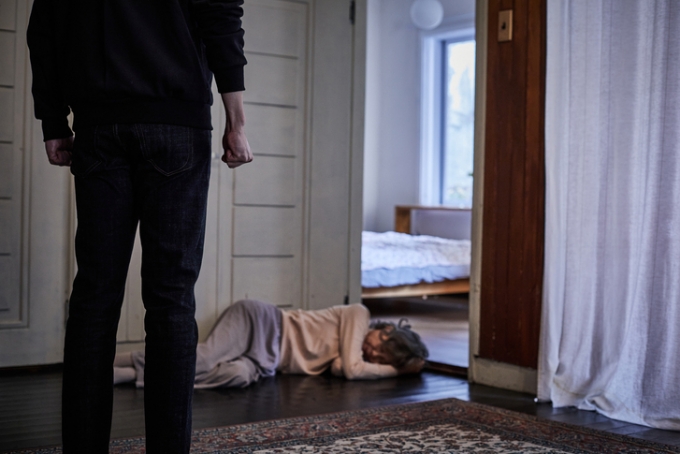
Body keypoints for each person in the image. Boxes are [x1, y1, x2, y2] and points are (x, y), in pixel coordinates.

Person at [26, 1, 251, 452]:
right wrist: (236, 122)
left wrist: (53, 120)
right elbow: (221, 17)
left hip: (99, 125)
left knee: (94, 296)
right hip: (177, 123)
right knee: (171, 298)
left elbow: (45, 27)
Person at [113, 300, 429, 388]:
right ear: (386, 329)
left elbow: (340, 367)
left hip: (266, 363)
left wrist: (393, 368)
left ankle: (132, 374)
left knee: (236, 375)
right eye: (380, 347)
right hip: (264, 323)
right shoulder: (359, 314)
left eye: (381, 359)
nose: (373, 354)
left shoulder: (351, 356)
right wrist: (397, 371)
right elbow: (351, 369)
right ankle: (115, 363)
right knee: (205, 359)